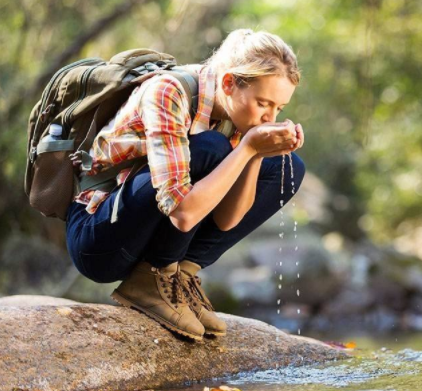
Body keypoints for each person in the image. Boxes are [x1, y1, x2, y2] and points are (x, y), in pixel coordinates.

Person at [65, 28, 306, 342]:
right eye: (264, 103)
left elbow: (227, 221)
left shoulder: (232, 115)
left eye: (279, 109)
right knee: (212, 149)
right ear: (229, 83)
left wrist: (258, 153)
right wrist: (246, 148)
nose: (270, 117)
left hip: (145, 230)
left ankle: (180, 276)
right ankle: (154, 276)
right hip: (98, 238)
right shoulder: (168, 91)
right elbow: (183, 214)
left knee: (287, 168)